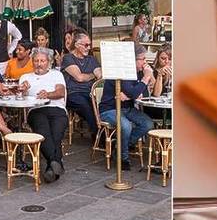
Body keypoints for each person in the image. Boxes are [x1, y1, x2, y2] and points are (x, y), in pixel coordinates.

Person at [98, 42, 155, 170]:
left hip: (127, 108)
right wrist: (145, 79)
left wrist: (132, 94)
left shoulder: (139, 72)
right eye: (142, 59)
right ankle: (123, 158)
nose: (145, 62)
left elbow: (144, 93)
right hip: (109, 109)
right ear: (133, 60)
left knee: (147, 124)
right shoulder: (123, 72)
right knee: (126, 126)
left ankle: (119, 147)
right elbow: (135, 92)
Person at [19, 47, 68, 183]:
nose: (39, 64)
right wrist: (23, 90)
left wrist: (48, 94)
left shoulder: (56, 74)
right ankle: (55, 162)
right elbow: (21, 97)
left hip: (57, 109)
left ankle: (51, 167)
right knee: (44, 132)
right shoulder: (25, 77)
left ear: (49, 62)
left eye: (42, 61)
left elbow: (61, 92)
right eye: (36, 61)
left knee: (56, 134)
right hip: (36, 110)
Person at [61, 31, 101, 137]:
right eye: (86, 45)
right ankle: (99, 136)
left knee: (101, 105)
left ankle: (104, 134)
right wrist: (93, 74)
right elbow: (79, 77)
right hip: (73, 93)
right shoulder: (68, 58)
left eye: (89, 45)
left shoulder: (91, 59)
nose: (89, 48)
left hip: (90, 93)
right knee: (87, 107)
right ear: (77, 45)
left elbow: (100, 75)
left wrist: (92, 75)